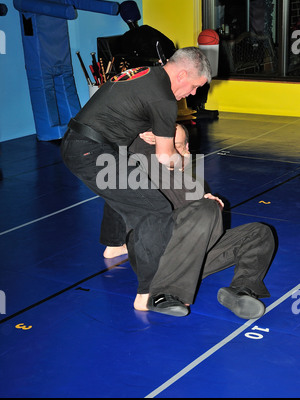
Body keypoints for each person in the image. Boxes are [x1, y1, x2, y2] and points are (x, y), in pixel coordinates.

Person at [61, 47, 211, 315]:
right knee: (155, 209)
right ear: (183, 74)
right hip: (92, 151)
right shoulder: (164, 98)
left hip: (82, 141)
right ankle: (148, 292)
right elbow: (166, 158)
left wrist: (147, 131)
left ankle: (114, 244)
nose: (191, 94)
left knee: (129, 180)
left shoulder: (147, 74)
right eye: (193, 87)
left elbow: (126, 107)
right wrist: (185, 162)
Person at [100, 125, 276, 319]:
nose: (176, 152)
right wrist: (141, 130)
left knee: (260, 232)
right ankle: (163, 294)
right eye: (169, 146)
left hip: (191, 260)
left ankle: (242, 291)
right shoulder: (142, 171)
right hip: (156, 258)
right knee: (205, 209)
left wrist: (213, 212)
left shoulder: (195, 187)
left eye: (180, 146)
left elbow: (208, 238)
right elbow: (116, 136)